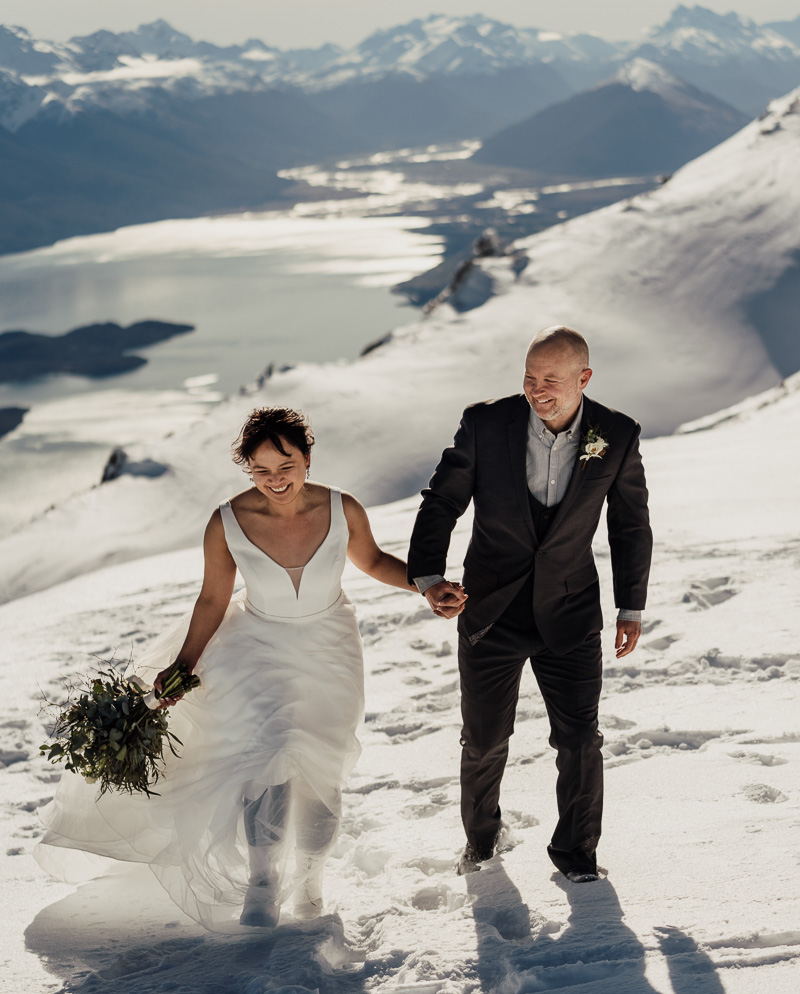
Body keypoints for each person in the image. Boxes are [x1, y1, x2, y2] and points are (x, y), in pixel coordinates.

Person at [35, 407, 417, 932]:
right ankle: (263, 883)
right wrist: (183, 665)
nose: (275, 480)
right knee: (270, 757)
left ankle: (310, 880)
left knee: (323, 772)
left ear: (307, 458)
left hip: (332, 647)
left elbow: (372, 560)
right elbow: (213, 599)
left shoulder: (342, 507)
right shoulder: (227, 522)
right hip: (257, 646)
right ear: (248, 471)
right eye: (261, 471)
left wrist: (426, 586)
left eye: (286, 466)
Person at [407, 326, 652, 881]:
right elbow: (442, 500)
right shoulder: (485, 423)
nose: (536, 390)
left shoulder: (616, 433)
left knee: (580, 739)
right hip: (490, 611)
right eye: (529, 377)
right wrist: (428, 577)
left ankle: (577, 855)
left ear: (584, 378)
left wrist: (630, 606)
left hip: (570, 611)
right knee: (484, 740)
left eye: (551, 379)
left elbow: (630, 524)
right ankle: (481, 842)